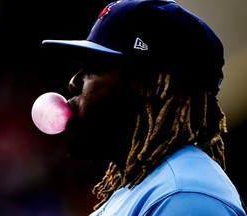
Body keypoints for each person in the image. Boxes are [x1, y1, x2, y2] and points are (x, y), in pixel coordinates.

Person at [41, 0, 247, 215]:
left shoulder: (184, 196)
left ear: (149, 85)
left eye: (94, 67)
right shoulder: (145, 188)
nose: (74, 82)